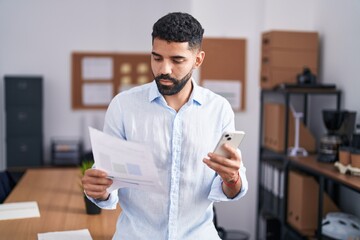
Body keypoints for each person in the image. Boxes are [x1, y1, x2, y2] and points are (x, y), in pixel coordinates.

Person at [82, 12, 248, 240]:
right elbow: (107, 185)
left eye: (177, 60)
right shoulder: (123, 106)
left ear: (198, 60)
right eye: (157, 58)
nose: (164, 69)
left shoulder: (219, 110)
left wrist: (233, 178)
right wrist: (99, 190)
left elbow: (230, 188)